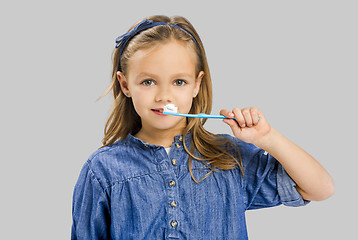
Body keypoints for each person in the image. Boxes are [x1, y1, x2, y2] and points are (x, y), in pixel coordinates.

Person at [71, 15, 334, 239]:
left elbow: (320, 188)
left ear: (197, 84)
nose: (164, 96)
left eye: (179, 82)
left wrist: (267, 138)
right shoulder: (102, 170)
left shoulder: (229, 158)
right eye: (148, 82)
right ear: (125, 84)